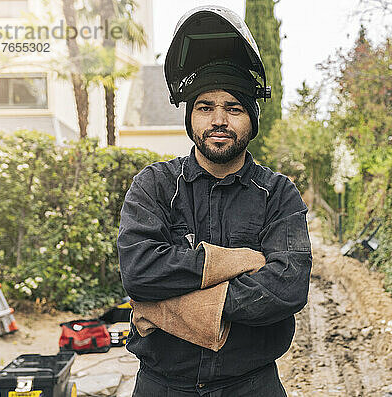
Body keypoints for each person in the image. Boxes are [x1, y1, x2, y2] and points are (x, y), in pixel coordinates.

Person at [117, 6, 312, 397]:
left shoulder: (278, 194)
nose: (218, 120)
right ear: (191, 117)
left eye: (233, 108)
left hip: (252, 385)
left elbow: (288, 287)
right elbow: (138, 270)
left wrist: (165, 308)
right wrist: (237, 263)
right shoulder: (154, 186)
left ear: (251, 119)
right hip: (163, 386)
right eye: (205, 107)